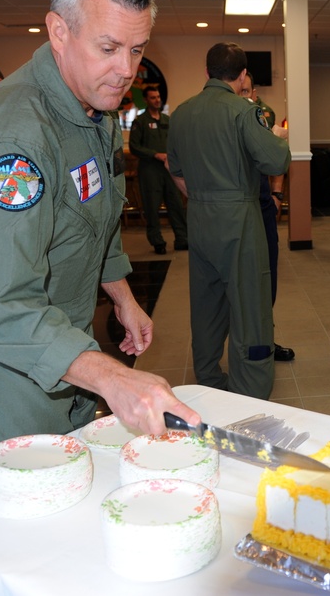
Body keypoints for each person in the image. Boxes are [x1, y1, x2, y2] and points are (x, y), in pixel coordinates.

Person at [0, 0, 200, 483]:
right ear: (58, 31)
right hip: (3, 360)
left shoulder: (92, 111)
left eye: (137, 50)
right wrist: (112, 378)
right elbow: (3, 307)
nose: (126, 69)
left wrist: (123, 297)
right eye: (108, 48)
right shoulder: (14, 140)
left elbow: (93, 217)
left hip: (63, 336)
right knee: (23, 509)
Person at [167, 42, 290, 399]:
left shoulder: (183, 113)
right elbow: (275, 162)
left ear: (207, 73)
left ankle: (207, 376)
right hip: (238, 219)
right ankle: (249, 386)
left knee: (206, 302)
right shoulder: (243, 112)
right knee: (250, 301)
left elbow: (175, 169)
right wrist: (277, 138)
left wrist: (204, 196)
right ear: (242, 76)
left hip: (200, 217)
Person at [239, 74, 295, 363]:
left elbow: (277, 158)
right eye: (239, 90)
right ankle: (244, 344)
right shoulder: (224, 116)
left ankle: (265, 340)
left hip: (262, 205)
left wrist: (276, 195)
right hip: (235, 210)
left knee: (268, 276)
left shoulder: (263, 115)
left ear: (254, 90)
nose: (243, 96)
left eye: (247, 90)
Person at [128, 85, 188, 255]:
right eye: (153, 97)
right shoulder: (140, 122)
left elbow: (176, 142)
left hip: (169, 170)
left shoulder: (167, 120)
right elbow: (134, 146)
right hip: (150, 170)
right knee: (152, 207)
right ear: (146, 100)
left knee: (176, 204)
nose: (157, 100)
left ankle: (182, 239)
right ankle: (157, 241)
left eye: (158, 97)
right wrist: (155, 154)